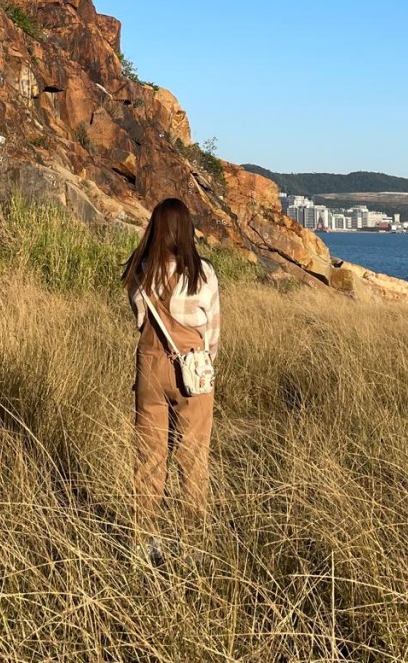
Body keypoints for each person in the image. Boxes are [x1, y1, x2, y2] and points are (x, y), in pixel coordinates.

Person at [122, 196, 221, 565]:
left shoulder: (141, 268)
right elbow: (213, 330)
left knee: (149, 458)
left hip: (149, 366)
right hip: (192, 368)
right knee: (193, 457)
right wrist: (203, 365)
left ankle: (141, 542)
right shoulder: (203, 273)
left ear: (156, 229)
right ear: (186, 230)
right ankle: (192, 543)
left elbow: (138, 318)